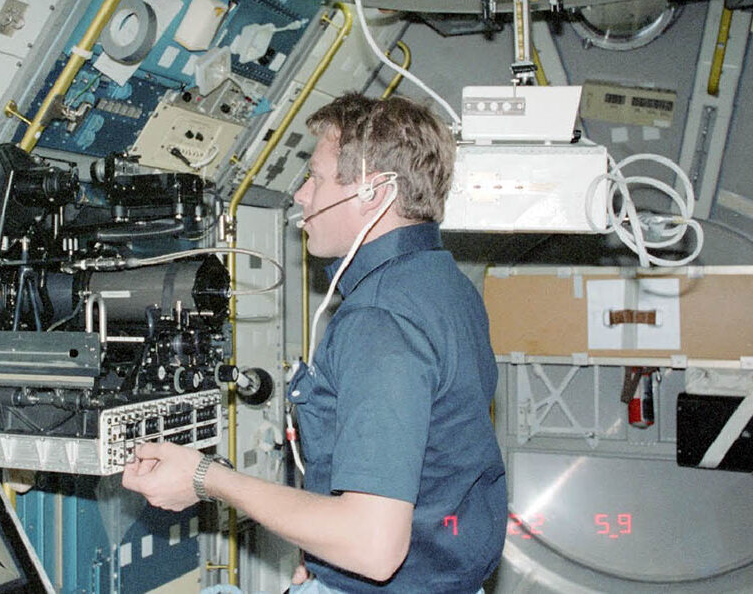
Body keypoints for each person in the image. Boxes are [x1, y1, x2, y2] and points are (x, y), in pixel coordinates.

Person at [122, 93, 507, 593]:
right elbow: (436, 472)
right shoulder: (445, 284)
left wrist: (205, 478)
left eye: (316, 178)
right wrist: (327, 560)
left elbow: (372, 547)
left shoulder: (378, 320)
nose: (301, 195)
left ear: (374, 192)